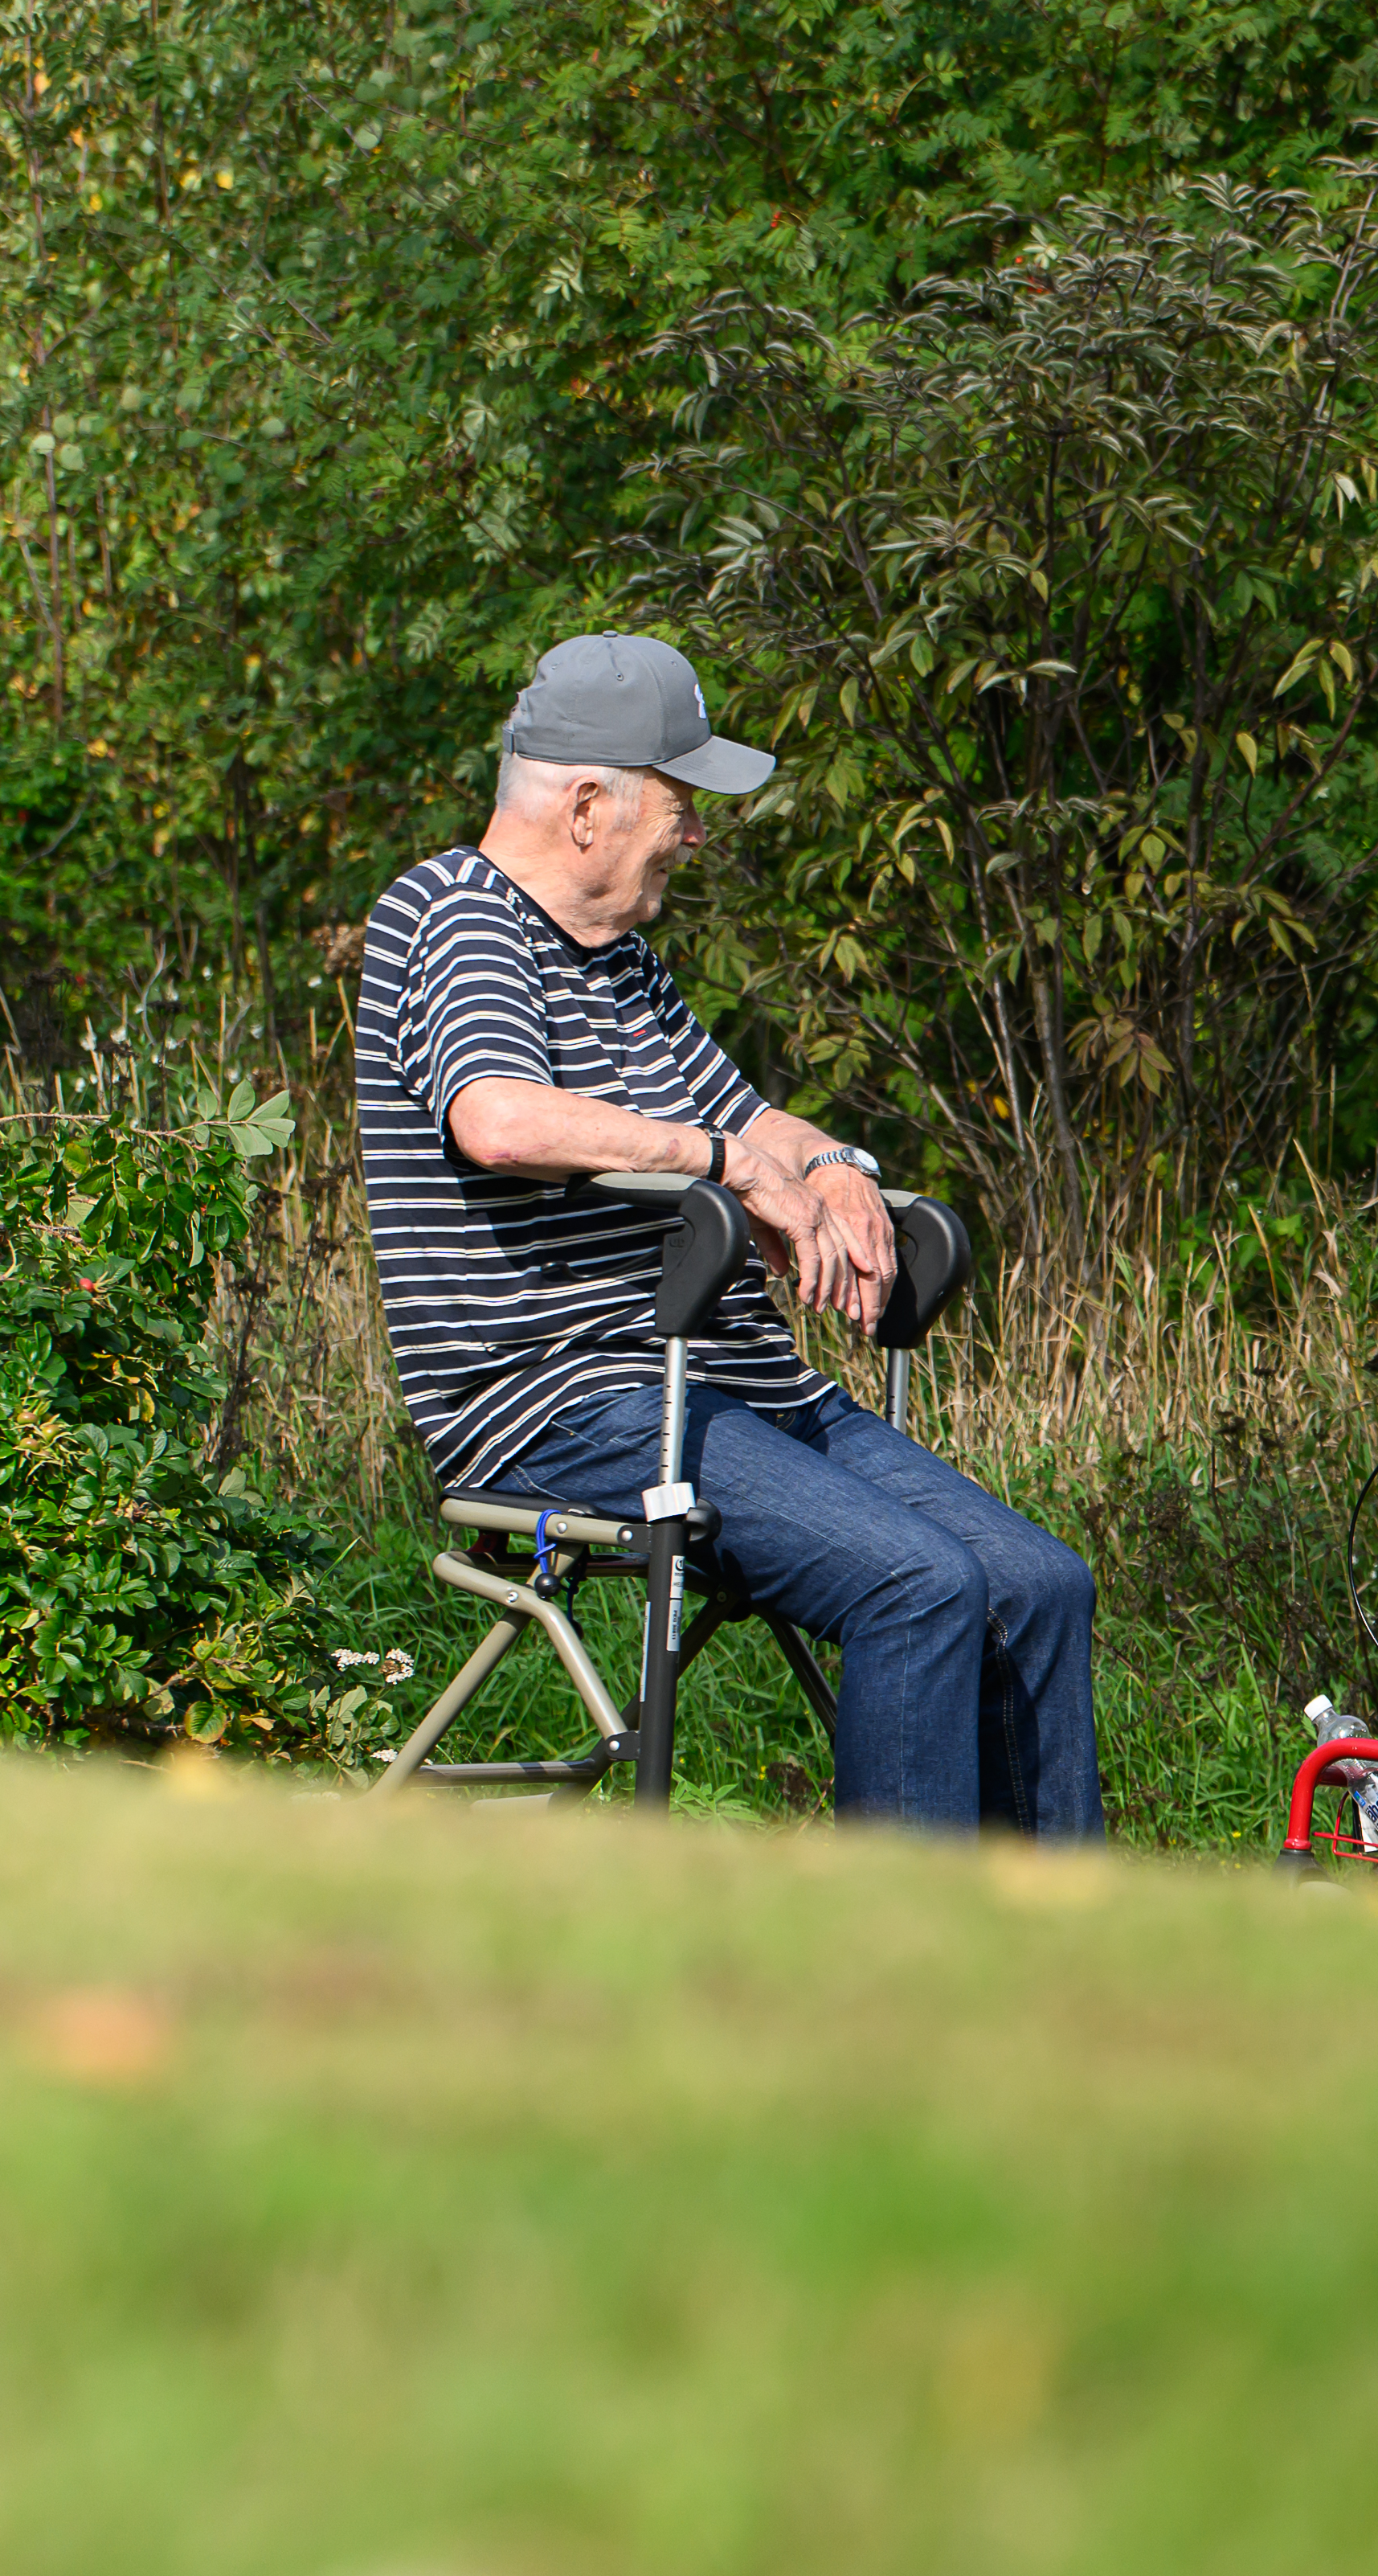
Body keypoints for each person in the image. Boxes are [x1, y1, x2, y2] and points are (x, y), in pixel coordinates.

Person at [354, 630, 1102, 1839]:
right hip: (568, 1399)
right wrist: (724, 1163)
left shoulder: (623, 967)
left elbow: (759, 1117)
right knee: (917, 1583)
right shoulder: (456, 917)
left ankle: (1059, 1959)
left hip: (731, 1386)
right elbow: (493, 1117)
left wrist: (834, 1168)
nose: (697, 835)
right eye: (681, 804)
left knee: (1035, 1583)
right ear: (589, 804)